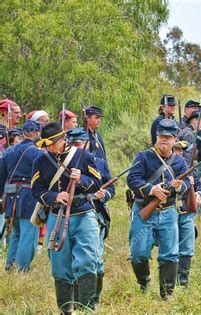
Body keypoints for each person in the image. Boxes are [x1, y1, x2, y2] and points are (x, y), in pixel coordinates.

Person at [31, 122, 102, 312]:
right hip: (57, 215)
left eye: (51, 143)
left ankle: (87, 307)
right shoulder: (41, 161)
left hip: (84, 214)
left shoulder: (83, 156)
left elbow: (96, 184)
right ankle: (66, 310)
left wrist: (82, 180)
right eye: (46, 144)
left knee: (87, 260)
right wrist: (54, 197)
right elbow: (37, 189)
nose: (47, 147)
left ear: (62, 139)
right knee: (60, 265)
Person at [127, 119, 190, 299]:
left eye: (168, 137)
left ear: (174, 139)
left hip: (169, 212)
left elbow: (187, 185)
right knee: (139, 252)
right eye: (162, 136)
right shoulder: (144, 157)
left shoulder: (179, 162)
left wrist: (178, 187)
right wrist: (151, 189)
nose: (164, 140)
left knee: (170, 254)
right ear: (157, 136)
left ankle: (167, 295)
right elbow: (132, 180)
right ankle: (144, 282)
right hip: (145, 210)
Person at [66, 127, 115, 307]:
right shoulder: (61, 164)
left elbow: (111, 188)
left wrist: (104, 195)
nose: (76, 147)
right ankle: (77, 301)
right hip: (69, 215)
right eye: (73, 144)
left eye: (79, 144)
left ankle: (92, 300)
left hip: (95, 215)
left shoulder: (99, 163)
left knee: (96, 260)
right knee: (72, 262)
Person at [0, 120, 43, 271]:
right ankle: (23, 270)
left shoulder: (9, 151)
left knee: (16, 234)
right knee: (28, 236)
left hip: (12, 197)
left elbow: (1, 177)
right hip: (29, 197)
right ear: (36, 132)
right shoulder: (38, 152)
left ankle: (10, 267)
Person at [173, 140, 201, 286]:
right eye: (176, 149)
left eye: (182, 151)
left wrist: (199, 194)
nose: (179, 153)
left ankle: (183, 281)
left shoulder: (189, 170)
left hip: (186, 212)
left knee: (187, 246)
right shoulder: (163, 168)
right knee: (170, 247)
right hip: (169, 212)